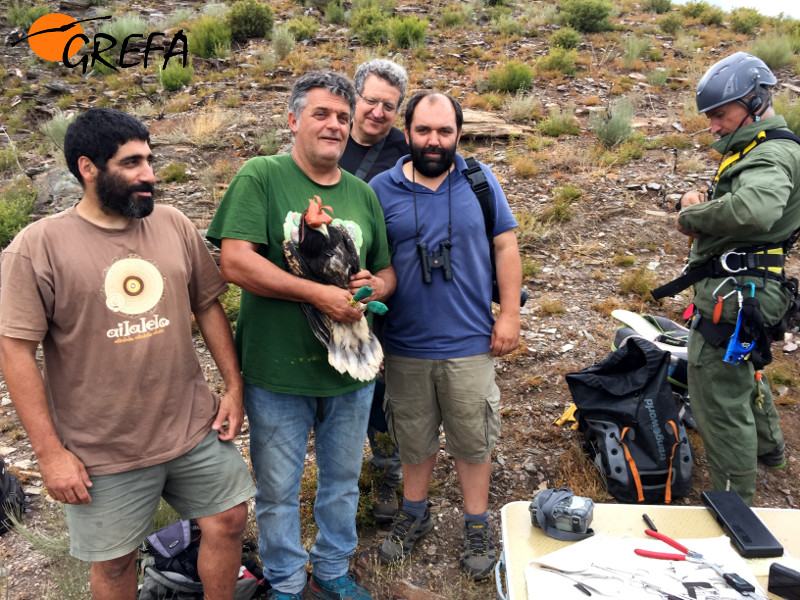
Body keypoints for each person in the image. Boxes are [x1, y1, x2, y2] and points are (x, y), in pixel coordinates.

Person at [0, 108, 255, 600]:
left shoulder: (173, 224)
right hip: (102, 449)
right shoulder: (38, 247)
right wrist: (51, 455)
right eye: (132, 163)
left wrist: (233, 386)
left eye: (150, 161)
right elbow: (15, 353)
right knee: (115, 565)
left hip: (190, 427)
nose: (149, 175)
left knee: (227, 520)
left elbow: (207, 305)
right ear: (87, 168)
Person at [206, 71, 395, 600]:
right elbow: (235, 262)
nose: (334, 124)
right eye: (321, 114)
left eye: (341, 116)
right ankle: (288, 579)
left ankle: (332, 570)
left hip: (351, 368)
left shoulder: (362, 194)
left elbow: (387, 270)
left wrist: (373, 282)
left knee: (341, 483)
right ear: (293, 120)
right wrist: (317, 294)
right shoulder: (261, 177)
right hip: (276, 370)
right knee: (278, 490)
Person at [369, 92, 521, 580]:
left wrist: (510, 315)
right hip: (404, 345)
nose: (434, 141)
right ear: (407, 131)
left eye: (444, 131)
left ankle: (477, 523)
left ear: (458, 133)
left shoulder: (479, 180)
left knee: (473, 438)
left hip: (471, 341)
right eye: (423, 131)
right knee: (412, 437)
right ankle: (415, 513)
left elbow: (506, 245)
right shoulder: (379, 188)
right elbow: (372, 265)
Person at [670, 52, 799, 504]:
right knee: (743, 372)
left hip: (736, 293)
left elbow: (755, 210)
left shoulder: (770, 154)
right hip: (753, 289)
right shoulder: (774, 149)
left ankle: (733, 508)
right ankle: (771, 453)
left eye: (721, 115)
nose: (714, 126)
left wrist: (692, 215)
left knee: (718, 397)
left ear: (756, 100)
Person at [339, 58, 410, 524]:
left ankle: (387, 470)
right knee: (336, 380)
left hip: (381, 292)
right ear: (354, 98)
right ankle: (339, 473)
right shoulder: (325, 137)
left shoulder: (404, 151)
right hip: (320, 291)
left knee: (379, 384)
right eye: (371, 101)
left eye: (389, 105)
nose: (379, 112)